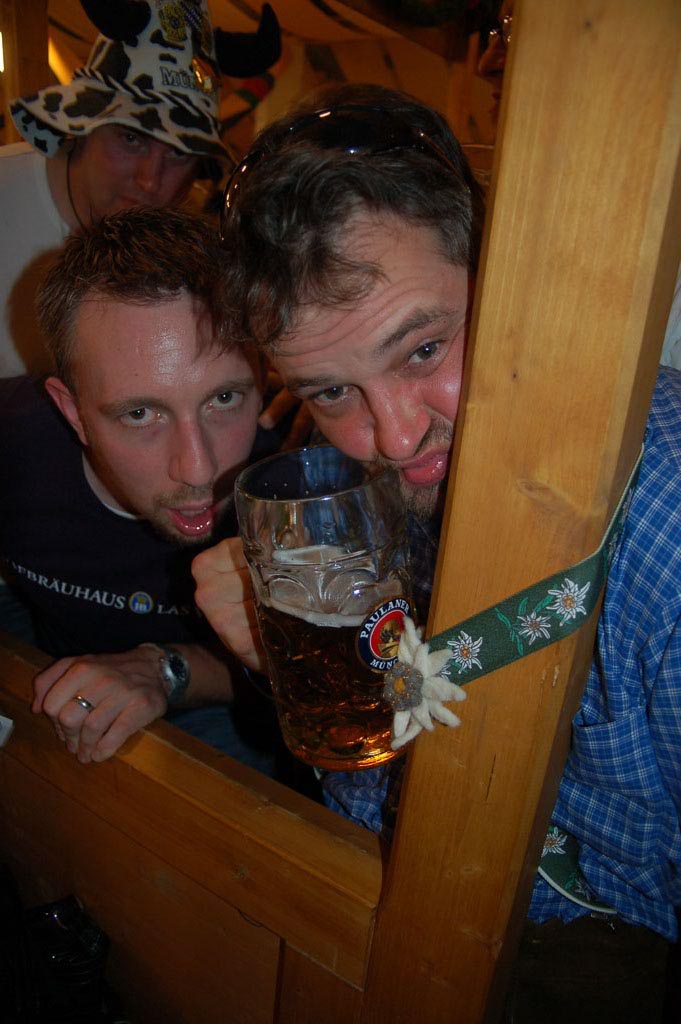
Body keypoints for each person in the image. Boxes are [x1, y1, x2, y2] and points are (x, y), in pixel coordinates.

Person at [192, 84, 681, 1016]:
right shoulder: (367, 496)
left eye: (421, 350)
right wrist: (290, 668)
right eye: (330, 391)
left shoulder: (667, 523)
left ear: (505, 280)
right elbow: (409, 797)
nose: (392, 436)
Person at [0, 204, 284, 774]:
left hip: (232, 704)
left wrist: (166, 670)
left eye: (224, 398)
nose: (199, 469)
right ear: (72, 412)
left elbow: (302, 671)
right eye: (139, 413)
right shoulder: (14, 443)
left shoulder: (301, 481)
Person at [0, 0, 280, 378]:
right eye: (132, 139)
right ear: (84, 123)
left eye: (179, 153)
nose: (150, 179)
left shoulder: (197, 251)